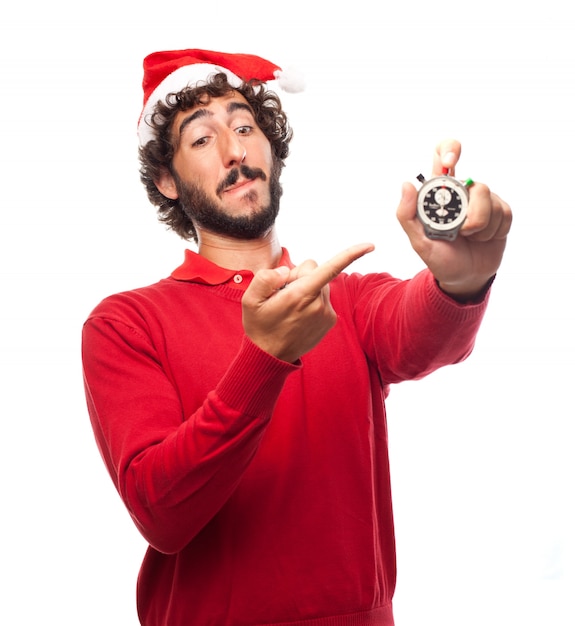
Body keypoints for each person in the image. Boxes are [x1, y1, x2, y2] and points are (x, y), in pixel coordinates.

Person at [81, 49, 512, 626]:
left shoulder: (346, 300)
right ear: (166, 179)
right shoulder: (124, 323)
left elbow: (423, 328)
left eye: (243, 126)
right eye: (202, 140)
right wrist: (264, 359)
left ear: (272, 150)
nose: (235, 150)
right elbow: (161, 512)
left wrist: (462, 276)